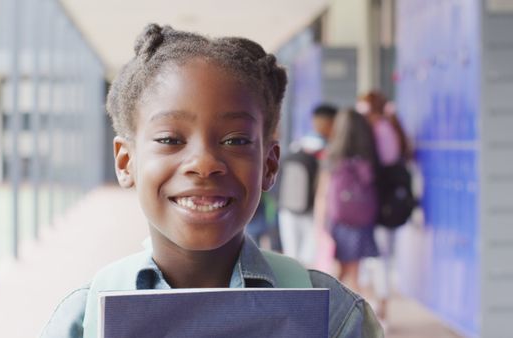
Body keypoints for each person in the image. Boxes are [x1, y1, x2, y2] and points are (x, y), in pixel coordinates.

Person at [40, 24, 383, 338]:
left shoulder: (335, 318)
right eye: (170, 139)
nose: (204, 163)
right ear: (126, 161)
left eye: (235, 141)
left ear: (269, 163)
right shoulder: (83, 322)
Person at [357, 91, 413, 322]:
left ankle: (381, 305)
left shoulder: (379, 130)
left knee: (378, 255)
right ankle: (380, 302)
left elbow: (381, 163)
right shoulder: (389, 127)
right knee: (382, 254)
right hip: (389, 201)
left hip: (380, 201)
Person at [314, 108, 381, 294]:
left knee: (341, 272)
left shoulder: (333, 156)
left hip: (339, 221)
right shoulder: (368, 156)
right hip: (362, 221)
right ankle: (357, 312)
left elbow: (322, 195)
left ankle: (339, 313)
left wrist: (320, 226)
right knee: (353, 272)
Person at [278, 104, 337, 265]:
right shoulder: (329, 149)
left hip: (288, 208)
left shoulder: (297, 145)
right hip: (313, 211)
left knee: (291, 257)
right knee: (309, 259)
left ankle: (291, 288)